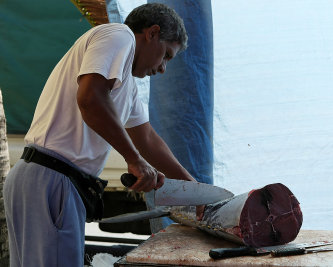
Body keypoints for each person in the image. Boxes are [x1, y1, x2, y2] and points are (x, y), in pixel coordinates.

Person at [3, 3, 203, 267]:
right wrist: (134, 159)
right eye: (166, 55)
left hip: (40, 179)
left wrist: (193, 188)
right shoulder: (119, 36)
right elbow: (90, 99)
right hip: (53, 179)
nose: (163, 68)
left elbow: (147, 140)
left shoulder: (127, 85)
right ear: (152, 33)